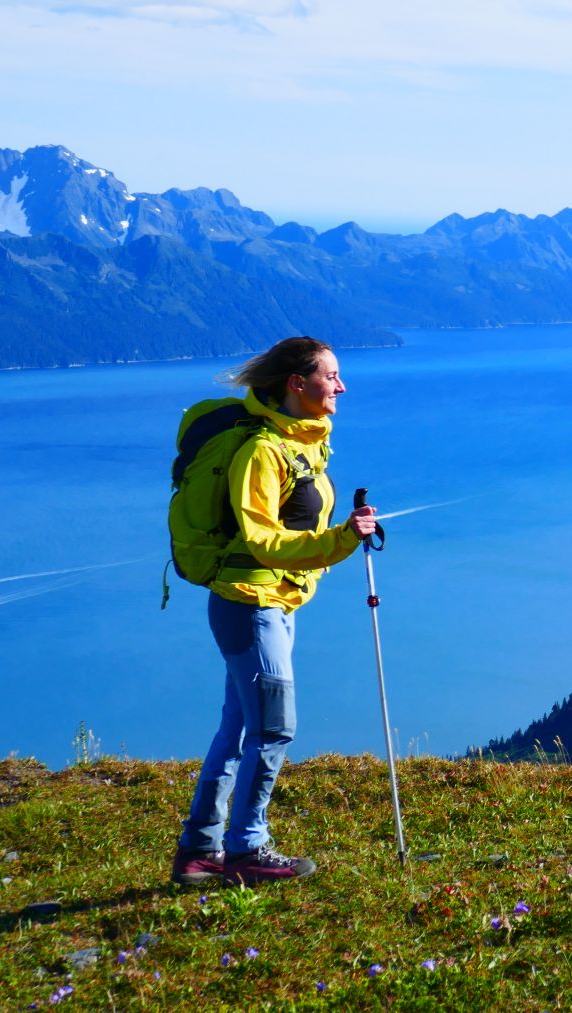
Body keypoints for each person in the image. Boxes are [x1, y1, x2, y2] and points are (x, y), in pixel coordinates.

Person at [170, 337, 379, 886]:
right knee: (274, 729)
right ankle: (247, 850)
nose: (341, 386)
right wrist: (341, 541)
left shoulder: (300, 443)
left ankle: (198, 850)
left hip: (272, 604)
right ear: (296, 382)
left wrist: (338, 536)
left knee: (239, 727)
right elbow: (262, 539)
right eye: (331, 376)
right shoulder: (263, 450)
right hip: (251, 602)